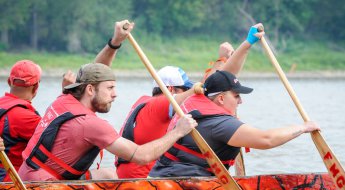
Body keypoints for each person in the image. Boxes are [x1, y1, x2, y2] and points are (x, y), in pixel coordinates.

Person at [148, 27, 320, 178]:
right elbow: (266, 139)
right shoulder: (220, 124)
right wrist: (303, 127)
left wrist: (247, 44)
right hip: (181, 189)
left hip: (162, 177)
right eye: (236, 96)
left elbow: (223, 75)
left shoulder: (197, 97)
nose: (241, 101)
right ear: (221, 98)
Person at [17, 61, 197, 181]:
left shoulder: (63, 100)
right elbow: (141, 156)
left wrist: (115, 42)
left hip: (26, 174)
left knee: (109, 174)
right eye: (110, 88)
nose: (115, 94)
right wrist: (178, 132)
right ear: (89, 89)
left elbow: (94, 69)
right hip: (44, 188)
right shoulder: (92, 125)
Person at [115, 42, 236, 179]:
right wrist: (222, 60)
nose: (188, 97)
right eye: (185, 90)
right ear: (170, 90)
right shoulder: (159, 104)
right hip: (144, 181)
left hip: (131, 175)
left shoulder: (143, 100)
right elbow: (202, 90)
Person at [0, 60, 42, 182]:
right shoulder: (28, 118)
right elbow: (59, 142)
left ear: (9, 81)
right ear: (36, 87)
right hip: (11, 186)